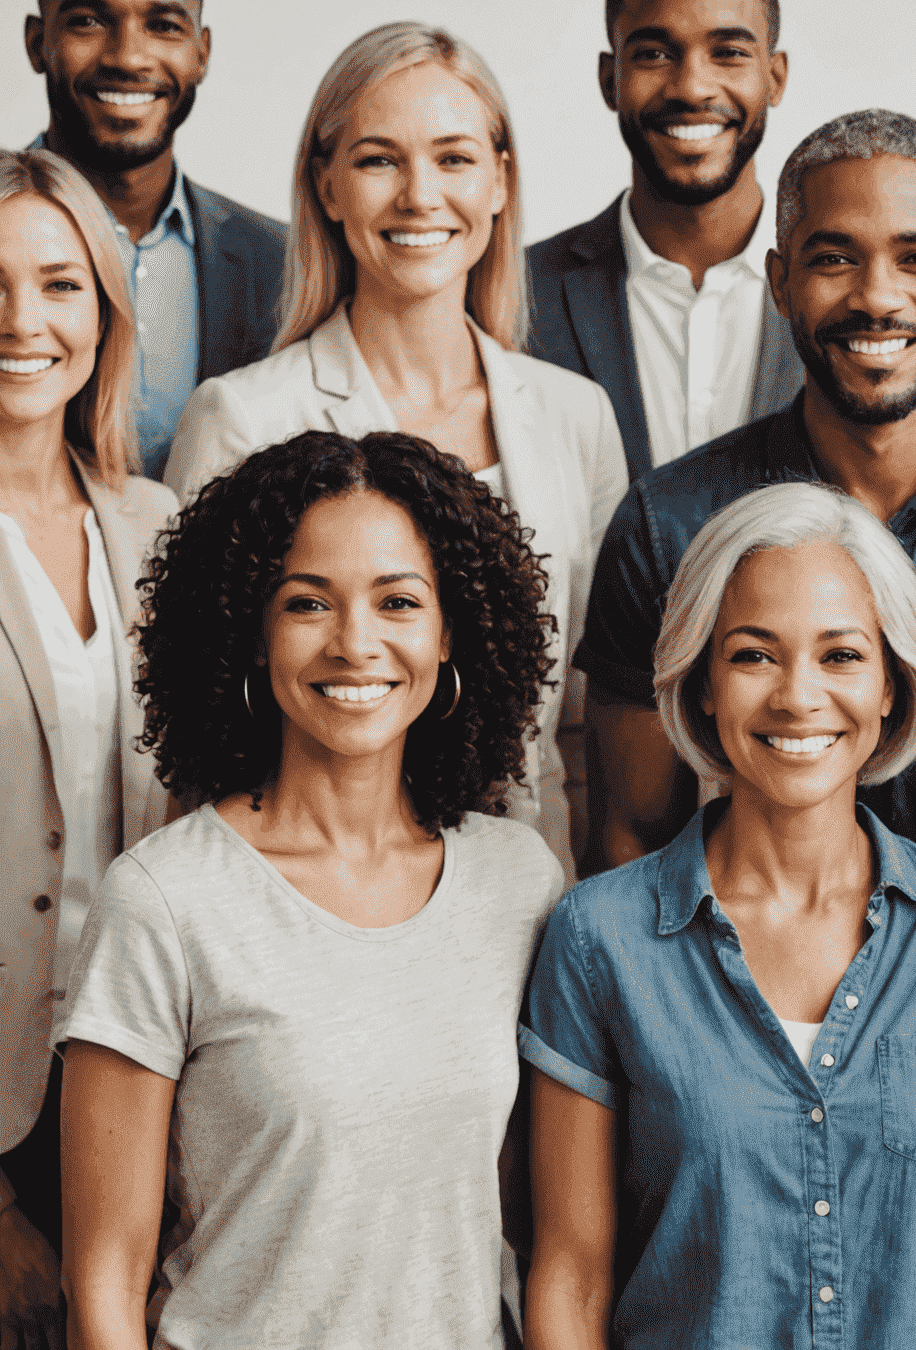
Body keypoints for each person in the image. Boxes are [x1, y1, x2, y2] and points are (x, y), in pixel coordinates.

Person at [55, 430, 563, 1348]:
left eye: (398, 601)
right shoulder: (165, 901)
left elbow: (535, 1229)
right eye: (307, 604)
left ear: (451, 630)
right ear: (253, 631)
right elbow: (103, 1278)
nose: (355, 644)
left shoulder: (517, 881)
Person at [523, 482, 916, 1349]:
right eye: (755, 655)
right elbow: (572, 1273)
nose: (799, 698)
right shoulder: (597, 938)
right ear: (704, 683)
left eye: (840, 656)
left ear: (890, 686)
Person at [577, 108, 916, 920]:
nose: (876, 297)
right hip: (752, 1015)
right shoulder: (670, 524)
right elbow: (628, 838)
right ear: (780, 282)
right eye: (834, 259)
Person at [165, 22, 626, 882]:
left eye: (453, 159)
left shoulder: (575, 416)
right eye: (380, 160)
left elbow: (585, 719)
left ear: (500, 181)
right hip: (309, 885)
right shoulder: (241, 418)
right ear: (327, 185)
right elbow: (196, 715)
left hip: (538, 885)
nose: (420, 196)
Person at [0, 148, 177, 1350]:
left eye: (60, 284)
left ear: (104, 312)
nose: (24, 322)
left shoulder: (155, 523)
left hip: (137, 1076)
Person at [24, 0, 287, 478]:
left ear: (201, 51)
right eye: (89, 21)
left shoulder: (283, 263)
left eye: (163, 25)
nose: (128, 56)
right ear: (38, 42)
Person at [527, 0, 802, 482]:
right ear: (610, 79)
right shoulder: (514, 296)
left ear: (774, 77)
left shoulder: (840, 290)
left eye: (728, 52)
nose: (691, 87)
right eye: (654, 54)